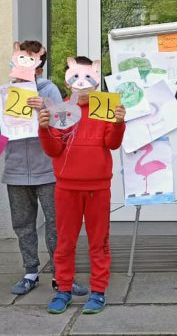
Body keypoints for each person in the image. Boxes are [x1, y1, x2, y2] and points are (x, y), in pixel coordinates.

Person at [0, 41, 88, 297]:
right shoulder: (4, 92)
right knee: (23, 223)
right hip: (15, 169)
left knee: (57, 224)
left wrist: (42, 109)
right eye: (22, 59)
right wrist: (9, 117)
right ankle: (30, 272)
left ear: (40, 64)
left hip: (47, 168)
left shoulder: (50, 89)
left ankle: (62, 275)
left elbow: (63, 122)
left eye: (33, 60)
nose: (28, 65)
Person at [38, 56, 126, 315]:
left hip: (98, 187)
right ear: (67, 81)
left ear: (97, 80)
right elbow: (53, 149)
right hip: (66, 188)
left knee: (99, 242)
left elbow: (112, 143)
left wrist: (119, 123)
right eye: (76, 77)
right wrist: (44, 129)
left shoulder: (105, 109)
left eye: (88, 77)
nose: (82, 83)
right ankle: (63, 289)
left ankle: (98, 292)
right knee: (65, 242)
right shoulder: (61, 110)